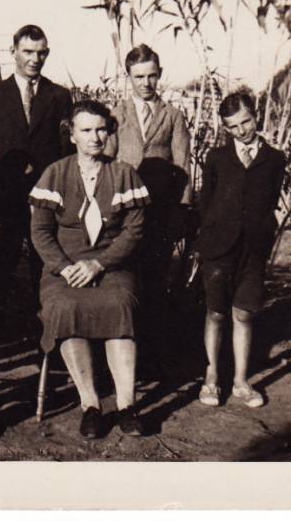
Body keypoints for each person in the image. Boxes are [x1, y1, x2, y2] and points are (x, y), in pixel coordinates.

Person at [29, 100, 150, 438]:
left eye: (100, 129)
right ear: (72, 135)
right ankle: (91, 405)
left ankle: (127, 405)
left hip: (112, 265)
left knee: (120, 304)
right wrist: (64, 268)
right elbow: (40, 232)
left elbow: (134, 231)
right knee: (65, 306)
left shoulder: (124, 173)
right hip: (64, 270)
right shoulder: (55, 173)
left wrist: (100, 263)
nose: (95, 137)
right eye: (86, 130)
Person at [0, 24, 73, 372]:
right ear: (14, 51)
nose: (35, 59)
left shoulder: (59, 97)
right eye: (28, 51)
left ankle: (52, 353)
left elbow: (63, 151)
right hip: (5, 202)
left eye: (41, 52)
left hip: (44, 202)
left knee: (45, 272)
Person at [194, 91, 286, 408]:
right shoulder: (217, 158)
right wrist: (209, 241)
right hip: (219, 248)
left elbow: (270, 201)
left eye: (245, 121)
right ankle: (210, 378)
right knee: (217, 313)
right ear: (225, 128)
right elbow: (206, 203)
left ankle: (241, 381)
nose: (241, 130)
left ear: (256, 115)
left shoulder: (274, 159)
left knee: (244, 313)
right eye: (233, 126)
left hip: (254, 249)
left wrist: (260, 236)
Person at [104, 45, 192, 365]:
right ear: (129, 77)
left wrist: (181, 210)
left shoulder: (173, 116)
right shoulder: (116, 114)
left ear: (160, 74)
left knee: (154, 281)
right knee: (124, 280)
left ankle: (152, 356)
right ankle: (120, 353)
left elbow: (183, 165)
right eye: (139, 77)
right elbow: (107, 162)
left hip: (158, 214)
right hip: (124, 215)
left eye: (152, 76)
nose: (146, 83)